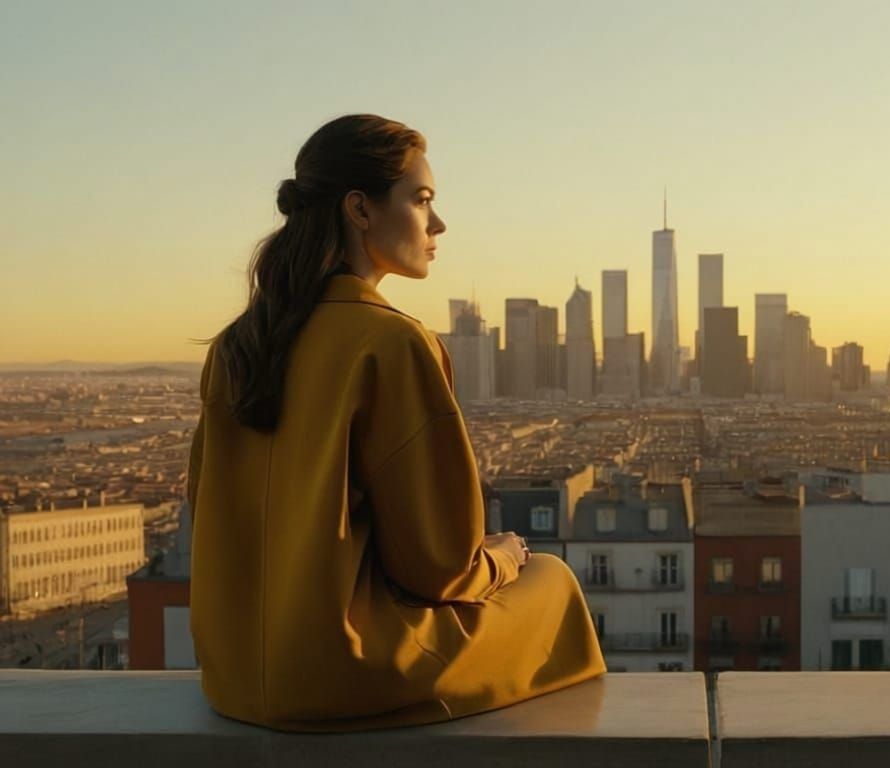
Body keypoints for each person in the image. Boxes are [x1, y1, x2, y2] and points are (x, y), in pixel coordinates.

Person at [187, 114, 605, 732]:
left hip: (231, 675)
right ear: (360, 209)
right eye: (422, 200)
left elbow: (206, 512)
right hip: (343, 673)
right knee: (552, 580)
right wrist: (502, 558)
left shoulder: (236, 346)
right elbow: (438, 568)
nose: (437, 224)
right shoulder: (392, 341)